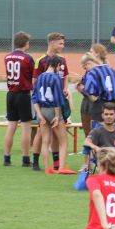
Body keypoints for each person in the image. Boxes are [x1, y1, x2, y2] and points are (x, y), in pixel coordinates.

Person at [32, 32, 72, 169]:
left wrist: (65, 88)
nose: (63, 46)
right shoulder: (41, 60)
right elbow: (35, 83)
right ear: (52, 42)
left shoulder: (63, 60)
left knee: (52, 135)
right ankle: (35, 161)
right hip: (52, 103)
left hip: (48, 104)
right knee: (41, 133)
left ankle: (54, 164)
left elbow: (65, 76)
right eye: (60, 43)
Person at [2, 31, 35, 167]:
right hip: (23, 94)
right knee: (26, 128)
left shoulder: (7, 57)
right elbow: (33, 75)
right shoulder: (28, 58)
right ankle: (25, 159)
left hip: (11, 94)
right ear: (26, 43)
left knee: (11, 127)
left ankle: (6, 158)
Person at [80, 52, 115, 130]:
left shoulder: (93, 73)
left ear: (89, 63)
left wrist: (92, 97)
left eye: (85, 68)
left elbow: (88, 89)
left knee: (99, 134)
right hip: (113, 106)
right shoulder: (113, 71)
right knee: (112, 133)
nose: (86, 70)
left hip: (99, 107)